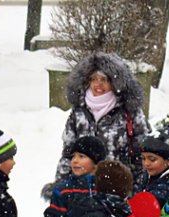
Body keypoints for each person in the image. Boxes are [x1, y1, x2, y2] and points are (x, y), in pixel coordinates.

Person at [53, 52, 150, 181]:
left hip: (118, 187)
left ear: (115, 83)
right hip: (83, 189)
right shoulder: (79, 112)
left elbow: (143, 155)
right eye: (93, 79)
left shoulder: (129, 112)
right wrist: (60, 187)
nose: (98, 84)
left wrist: (135, 188)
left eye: (104, 80)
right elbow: (68, 153)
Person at [44, 135, 105, 217]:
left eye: (81, 156)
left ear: (95, 162)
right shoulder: (63, 190)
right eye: (73, 157)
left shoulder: (105, 187)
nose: (75, 161)